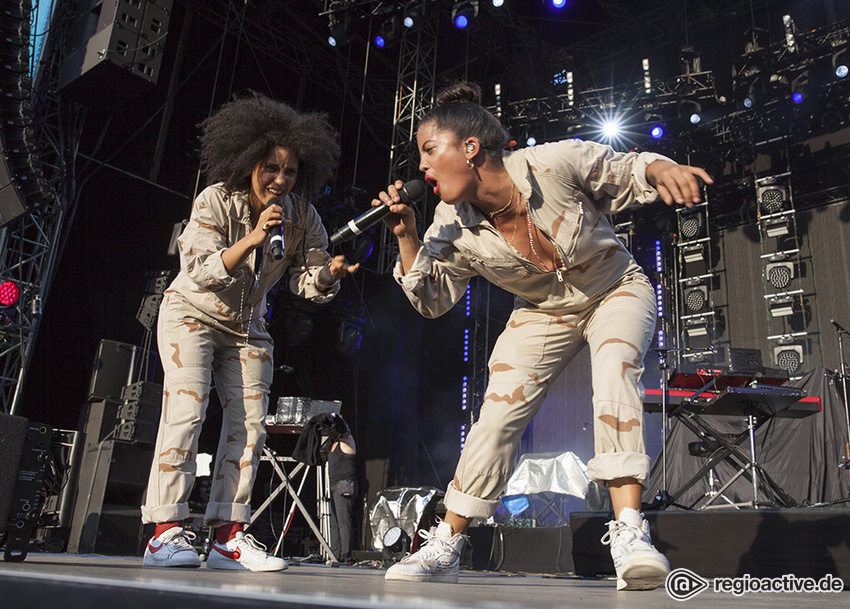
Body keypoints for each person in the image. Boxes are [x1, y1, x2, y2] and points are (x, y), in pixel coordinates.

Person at [375, 81, 712, 590]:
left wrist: (663, 168)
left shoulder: (551, 163)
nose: (422, 167)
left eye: (429, 150)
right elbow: (432, 299)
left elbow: (629, 167)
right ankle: (447, 542)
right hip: (543, 310)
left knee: (615, 371)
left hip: (613, 287)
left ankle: (629, 534)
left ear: (470, 148)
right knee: (498, 412)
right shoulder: (447, 223)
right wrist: (405, 234)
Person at [141, 92, 359, 571]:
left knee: (250, 427)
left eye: (291, 172)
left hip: (247, 327)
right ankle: (164, 533)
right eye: (271, 169)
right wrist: (254, 237)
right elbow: (197, 270)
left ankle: (228, 538)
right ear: (249, 163)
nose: (281, 180)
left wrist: (328, 276)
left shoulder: (304, 217)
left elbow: (308, 281)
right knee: (186, 413)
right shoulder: (216, 199)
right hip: (192, 314)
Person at [327, 424, 358, 564]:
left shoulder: (348, 441)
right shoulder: (334, 443)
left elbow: (345, 430)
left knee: (343, 522)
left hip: (343, 485)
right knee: (334, 523)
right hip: (333, 485)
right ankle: (334, 555)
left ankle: (345, 556)